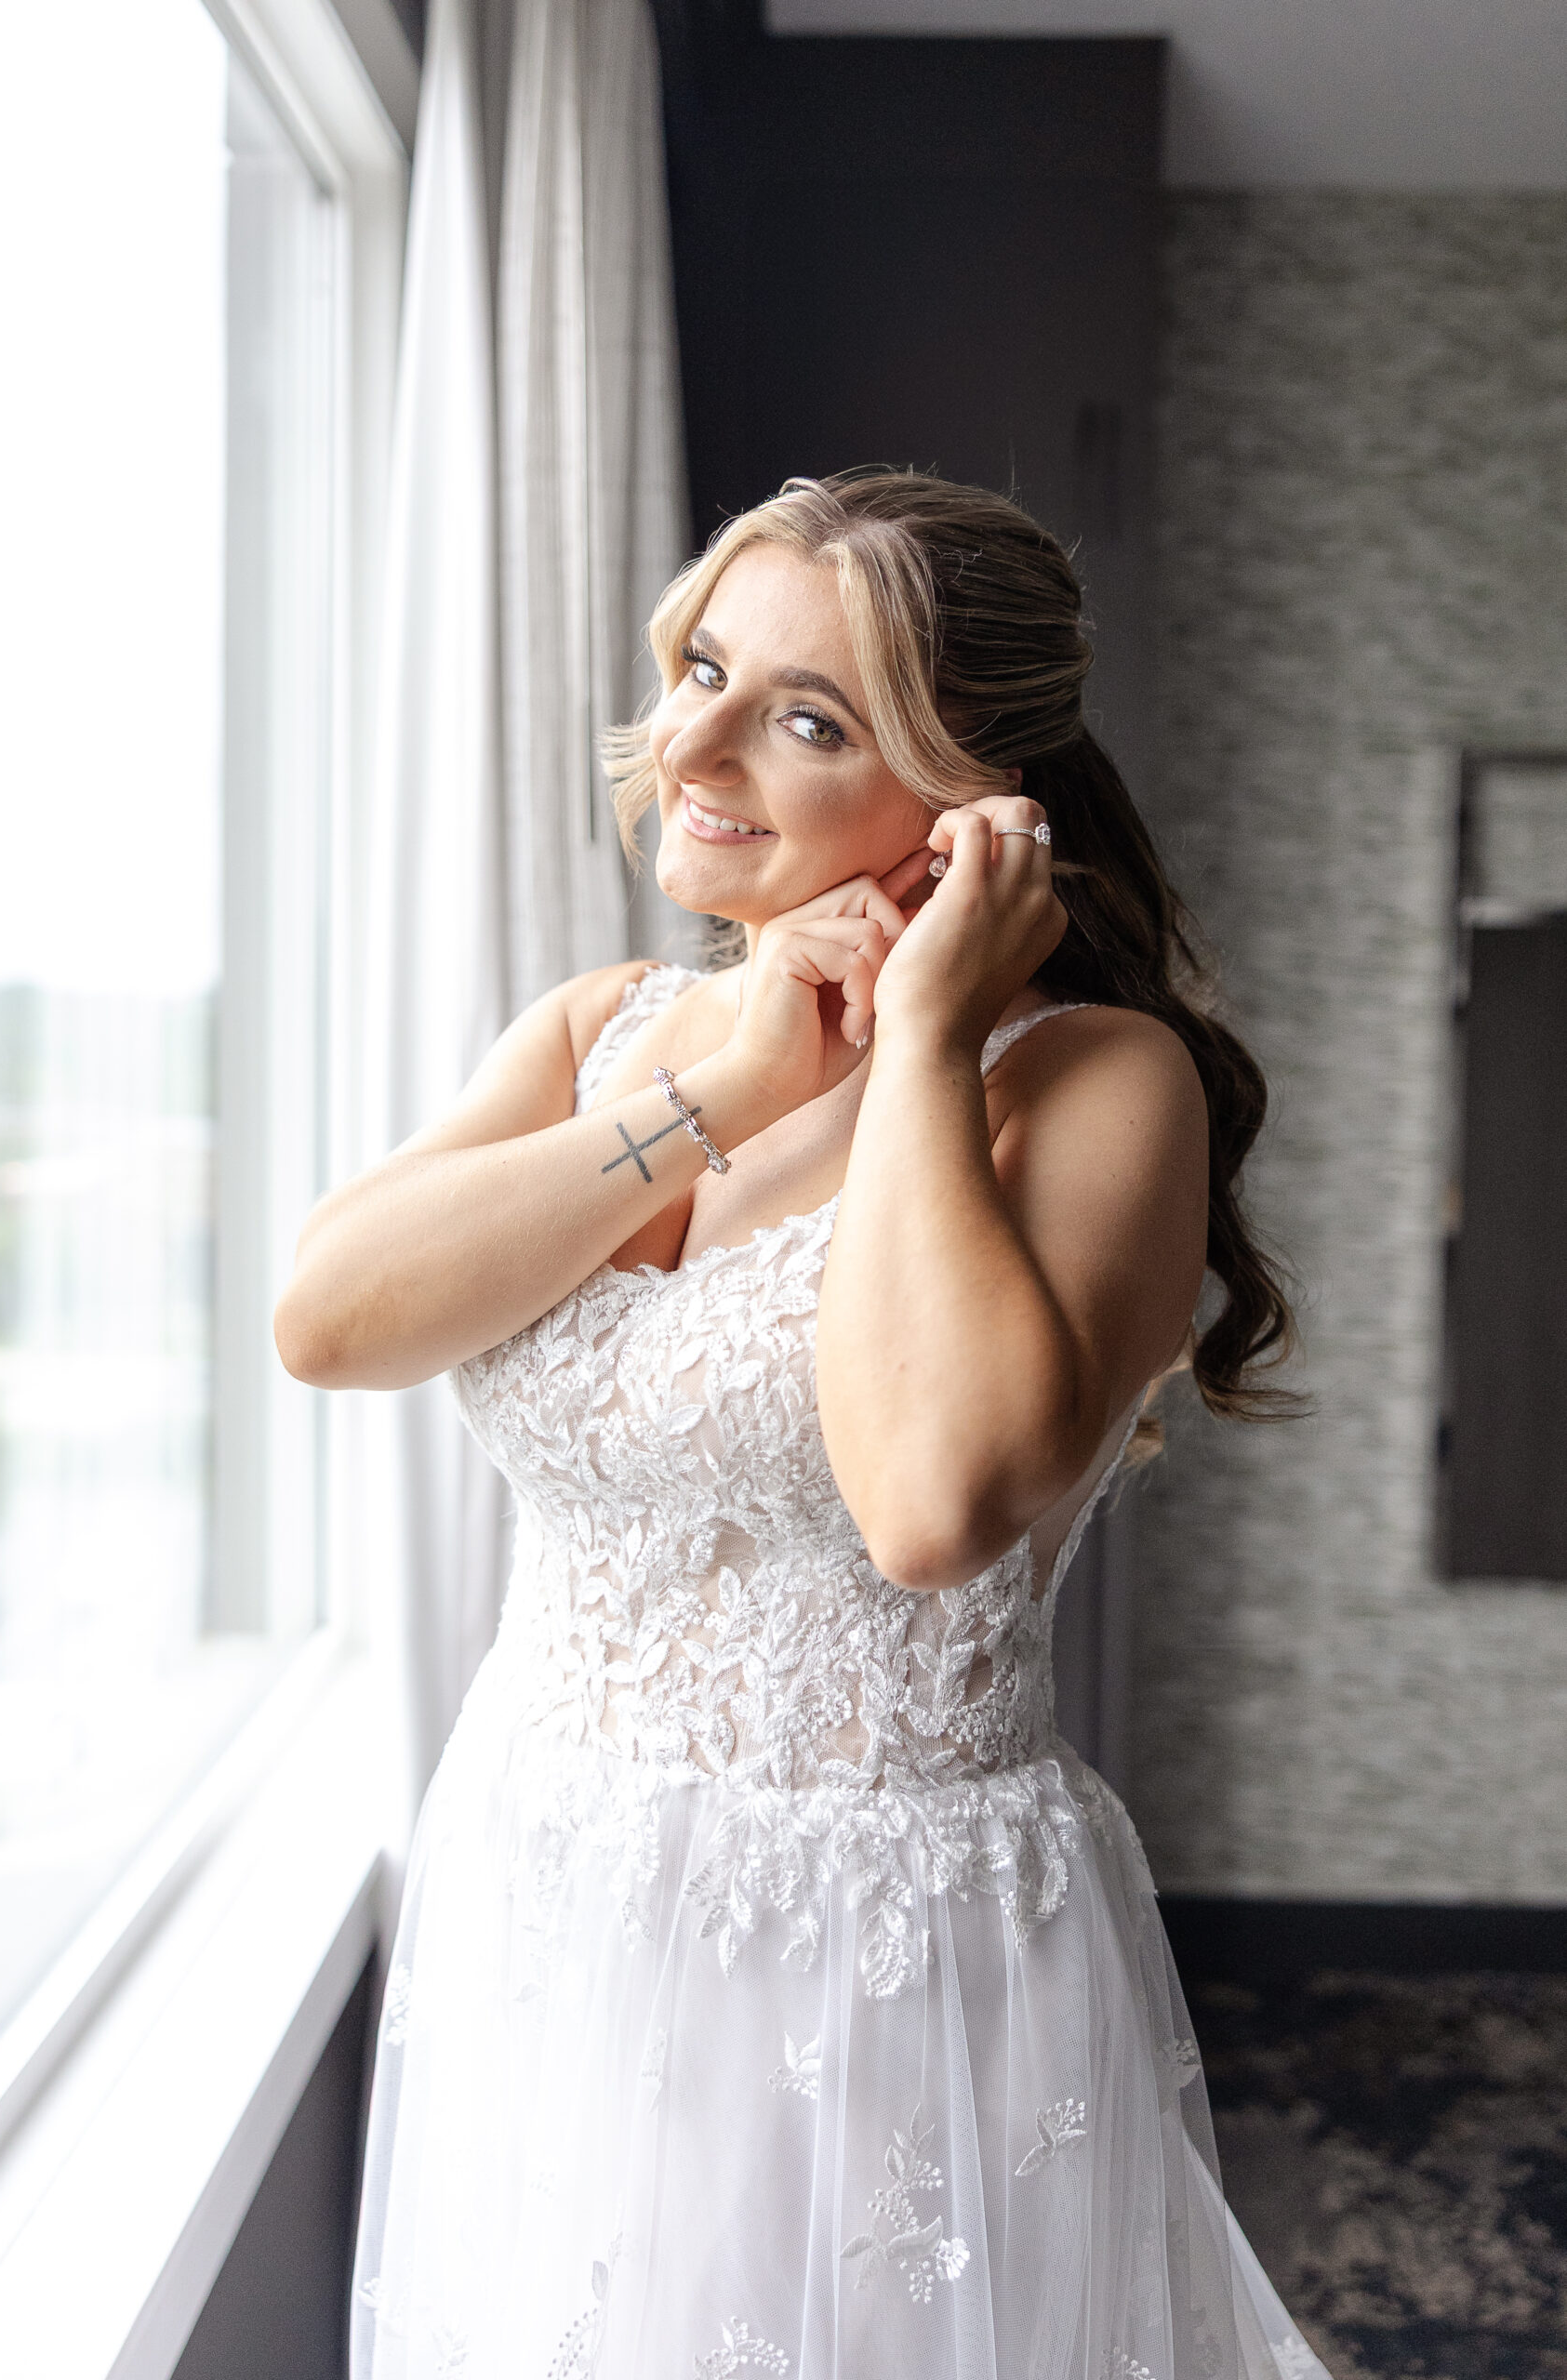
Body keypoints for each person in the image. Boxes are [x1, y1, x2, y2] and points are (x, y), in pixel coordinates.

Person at [277, 470, 1328, 2380]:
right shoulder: (599, 1029)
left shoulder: (1090, 1085)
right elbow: (330, 1317)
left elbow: (931, 1501)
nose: (693, 739)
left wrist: (918, 1037)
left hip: (875, 1956)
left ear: (976, 793)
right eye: (701, 668)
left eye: (805, 715)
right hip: (545, 1876)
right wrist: (737, 1074)